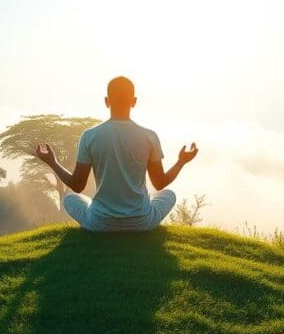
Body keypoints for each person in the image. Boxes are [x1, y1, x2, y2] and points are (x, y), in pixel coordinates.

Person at [34, 76, 198, 232]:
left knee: (69, 199)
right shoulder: (149, 136)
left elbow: (77, 186)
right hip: (142, 222)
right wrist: (181, 162)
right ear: (134, 102)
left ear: (107, 101)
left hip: (100, 223)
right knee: (169, 195)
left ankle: (98, 209)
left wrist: (52, 161)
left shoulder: (89, 136)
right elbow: (160, 183)